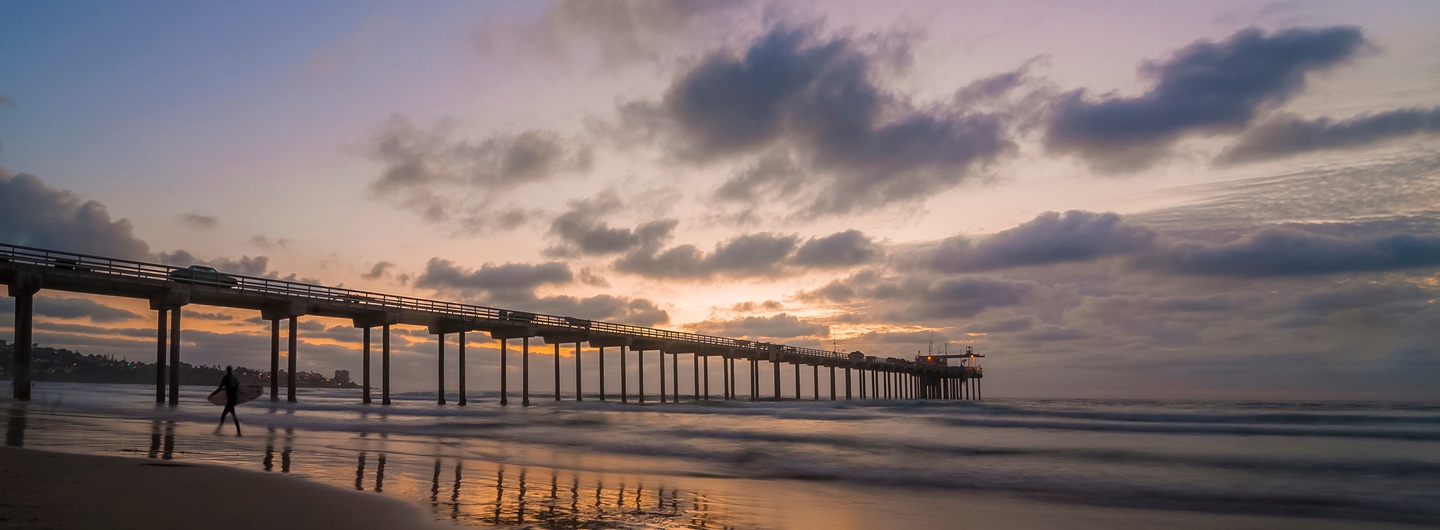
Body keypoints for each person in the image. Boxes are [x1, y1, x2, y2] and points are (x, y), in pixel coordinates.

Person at [217, 366, 242, 436]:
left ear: (226, 370)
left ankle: (219, 431)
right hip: (234, 400)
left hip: (230, 401)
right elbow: (237, 390)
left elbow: (219, 388)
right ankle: (238, 432)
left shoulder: (225, 378)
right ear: (232, 370)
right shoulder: (235, 379)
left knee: (224, 416)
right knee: (230, 415)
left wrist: (212, 395)